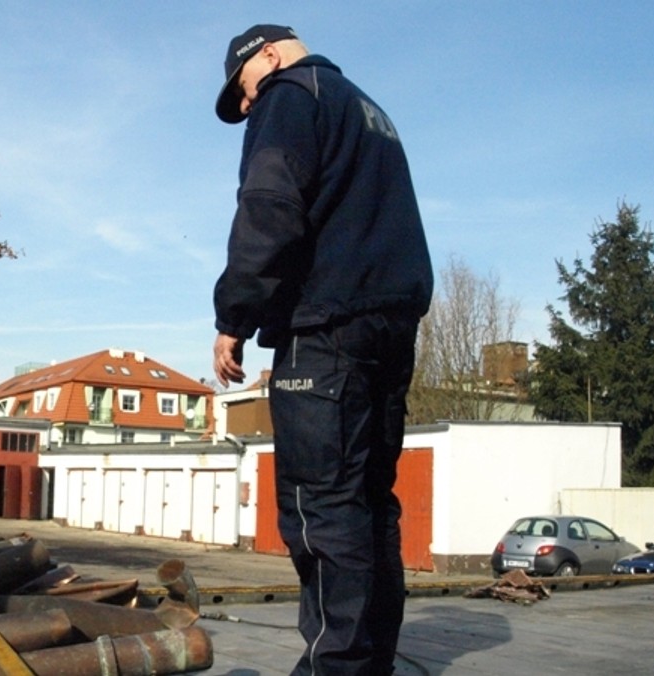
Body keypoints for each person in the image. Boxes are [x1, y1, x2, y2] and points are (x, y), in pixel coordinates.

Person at [210, 24, 433, 675]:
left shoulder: (290, 93)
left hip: (326, 332)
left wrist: (234, 315)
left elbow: (269, 204)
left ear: (270, 55)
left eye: (244, 89)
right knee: (369, 506)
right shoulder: (368, 110)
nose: (248, 105)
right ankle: (369, 663)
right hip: (388, 329)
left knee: (322, 510)